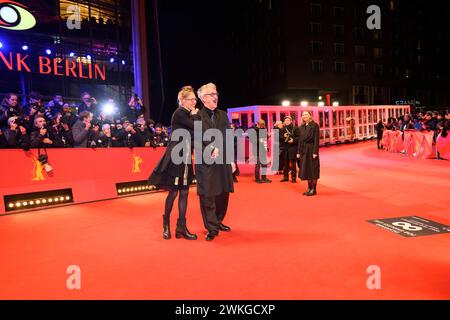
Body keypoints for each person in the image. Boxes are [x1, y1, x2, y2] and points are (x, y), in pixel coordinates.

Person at [149, 86, 200, 240]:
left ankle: (181, 228)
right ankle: (166, 225)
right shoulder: (179, 113)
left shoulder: (187, 115)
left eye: (195, 100)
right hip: (176, 158)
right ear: (183, 100)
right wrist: (196, 116)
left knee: (184, 192)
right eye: (192, 99)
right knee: (174, 192)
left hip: (185, 158)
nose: (194, 102)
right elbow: (197, 128)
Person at [195, 83, 234, 241]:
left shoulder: (223, 115)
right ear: (204, 99)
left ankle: (218, 221)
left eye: (216, 93)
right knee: (208, 193)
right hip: (205, 161)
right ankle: (211, 227)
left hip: (223, 159)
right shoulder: (197, 116)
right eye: (211, 94)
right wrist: (210, 149)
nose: (215, 96)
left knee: (223, 192)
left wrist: (232, 160)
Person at [297, 110, 320, 196]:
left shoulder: (314, 126)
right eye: (303, 115)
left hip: (311, 150)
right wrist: (298, 151)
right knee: (306, 169)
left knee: (313, 169)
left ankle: (314, 189)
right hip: (303, 150)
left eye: (306, 114)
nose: (304, 116)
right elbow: (300, 140)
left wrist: (315, 152)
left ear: (310, 116)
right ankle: (309, 188)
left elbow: (316, 140)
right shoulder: (301, 126)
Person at [249, 119, 271, 183]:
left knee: (264, 165)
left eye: (263, 125)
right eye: (261, 125)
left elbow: (265, 139)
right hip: (256, 150)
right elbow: (252, 140)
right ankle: (257, 179)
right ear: (258, 124)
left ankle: (264, 178)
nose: (263, 126)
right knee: (258, 165)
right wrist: (260, 140)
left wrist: (266, 147)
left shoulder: (264, 129)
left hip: (263, 149)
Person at [280, 116, 299, 183]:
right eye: (285, 120)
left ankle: (293, 178)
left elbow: (299, 138)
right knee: (285, 164)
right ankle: (285, 177)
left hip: (293, 148)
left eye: (288, 120)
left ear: (291, 121)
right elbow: (279, 139)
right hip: (285, 149)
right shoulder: (282, 129)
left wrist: (293, 140)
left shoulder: (295, 128)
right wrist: (283, 136)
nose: (286, 121)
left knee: (293, 164)